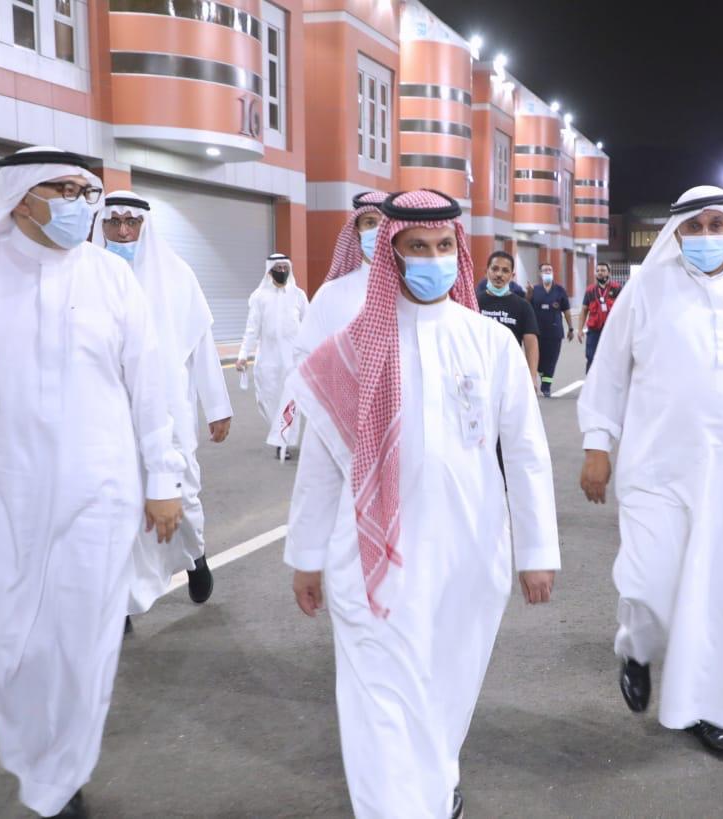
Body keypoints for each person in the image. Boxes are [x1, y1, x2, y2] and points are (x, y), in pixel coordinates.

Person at [0, 147, 184, 818]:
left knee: (82, 641)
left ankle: (62, 774)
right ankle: (38, 746)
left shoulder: (111, 279)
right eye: (66, 190)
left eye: (88, 191)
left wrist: (163, 478)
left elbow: (149, 388)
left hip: (99, 491)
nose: (82, 204)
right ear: (22, 197)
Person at [285, 190, 560, 818]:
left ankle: (433, 792)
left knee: (445, 688)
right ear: (392, 254)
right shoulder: (351, 349)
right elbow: (322, 465)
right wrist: (305, 556)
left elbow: (525, 451)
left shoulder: (489, 344)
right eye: (417, 247)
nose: (432, 259)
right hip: (370, 556)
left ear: (457, 252)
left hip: (469, 554)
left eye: (442, 246)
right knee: (378, 698)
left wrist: (537, 551)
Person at [578, 185, 723, 760]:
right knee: (649, 583)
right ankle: (637, 649)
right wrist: (596, 445)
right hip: (655, 469)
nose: (706, 235)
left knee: (722, 594)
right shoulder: (646, 289)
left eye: (717, 225)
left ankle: (706, 710)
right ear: (677, 232)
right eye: (695, 226)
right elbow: (608, 372)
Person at [93, 191, 233, 629]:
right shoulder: (85, 275)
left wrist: (217, 405)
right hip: (107, 413)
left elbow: (201, 345)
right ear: (100, 226)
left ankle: (195, 556)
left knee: (181, 494)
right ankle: (122, 602)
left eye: (131, 222)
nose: (122, 231)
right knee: (115, 506)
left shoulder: (177, 275)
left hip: (169, 410)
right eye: (113, 222)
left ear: (145, 226)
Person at [270, 191, 388, 452]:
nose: (378, 231)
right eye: (370, 223)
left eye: (385, 223)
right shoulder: (331, 294)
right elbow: (305, 357)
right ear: (356, 231)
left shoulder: (413, 294)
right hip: (343, 427)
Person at [236, 253, 308, 459]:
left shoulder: (298, 295)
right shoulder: (259, 297)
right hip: (268, 361)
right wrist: (243, 354)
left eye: (285, 268)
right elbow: (252, 329)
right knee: (268, 400)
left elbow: (309, 324)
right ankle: (279, 433)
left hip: (293, 361)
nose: (282, 271)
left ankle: (282, 442)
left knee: (290, 401)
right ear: (270, 271)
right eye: (278, 268)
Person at [476, 250, 540, 389]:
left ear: (512, 276)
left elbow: (531, 343)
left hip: (511, 374)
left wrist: (532, 376)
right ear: (486, 272)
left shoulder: (523, 306)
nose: (499, 274)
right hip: (478, 373)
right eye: (495, 269)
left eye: (505, 271)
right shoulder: (474, 302)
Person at [527, 262, 574, 396]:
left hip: (554, 333)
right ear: (540, 273)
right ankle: (542, 373)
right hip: (537, 332)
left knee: (551, 360)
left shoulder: (560, 291)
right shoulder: (534, 290)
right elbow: (526, 306)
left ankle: (546, 386)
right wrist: (529, 294)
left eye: (550, 270)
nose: (547, 272)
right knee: (539, 361)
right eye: (545, 270)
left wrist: (571, 328)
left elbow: (566, 311)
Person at [575, 261, 623, 372]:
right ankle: (591, 380)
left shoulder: (617, 288)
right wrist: (580, 330)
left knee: (611, 358)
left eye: (603, 270)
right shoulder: (590, 291)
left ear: (609, 273)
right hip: (594, 331)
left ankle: (608, 380)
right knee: (591, 357)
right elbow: (584, 310)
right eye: (598, 271)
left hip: (611, 331)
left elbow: (623, 309)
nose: (600, 273)